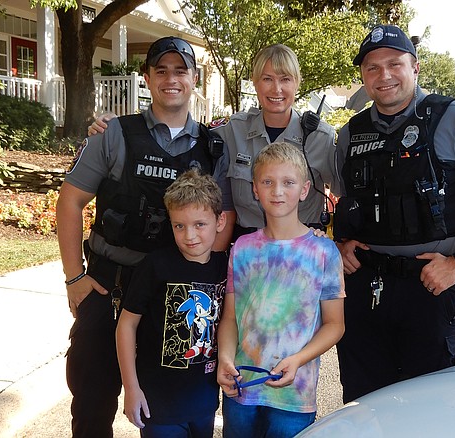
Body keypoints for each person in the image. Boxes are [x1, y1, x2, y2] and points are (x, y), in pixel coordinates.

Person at [332, 24, 455, 403]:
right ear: (363, 77)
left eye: (394, 64)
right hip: (366, 290)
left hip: (433, 287)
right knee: (363, 402)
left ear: (415, 67)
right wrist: (340, 245)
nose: (383, 75)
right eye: (372, 67)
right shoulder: (350, 135)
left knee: (430, 407)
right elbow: (345, 202)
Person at [56, 36, 233, 437]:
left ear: (195, 79)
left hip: (175, 297)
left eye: (181, 70)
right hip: (108, 287)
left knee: (164, 408)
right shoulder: (113, 134)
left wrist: (205, 285)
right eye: (161, 70)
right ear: (148, 78)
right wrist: (73, 277)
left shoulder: (213, 147)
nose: (171, 79)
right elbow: (69, 202)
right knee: (92, 400)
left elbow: (223, 217)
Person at [89, 44, 340, 240]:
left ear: (297, 83)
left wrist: (334, 239)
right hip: (246, 250)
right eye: (267, 79)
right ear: (254, 82)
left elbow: (345, 193)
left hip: (304, 248)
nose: (276, 89)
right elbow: (181, 131)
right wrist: (117, 124)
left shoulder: (321, 138)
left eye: (285, 79)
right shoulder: (233, 131)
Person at [216, 142, 345, 437]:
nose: (277, 191)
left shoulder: (324, 251)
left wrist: (298, 359)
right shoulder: (242, 248)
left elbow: (335, 325)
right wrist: (225, 358)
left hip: (294, 398)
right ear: (254, 189)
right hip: (241, 390)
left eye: (288, 182)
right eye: (267, 182)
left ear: (304, 189)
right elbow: (230, 319)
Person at [116, 169, 228, 437]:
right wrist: (131, 388)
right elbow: (126, 326)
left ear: (220, 221)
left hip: (204, 403)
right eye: (180, 225)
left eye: (200, 224)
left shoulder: (227, 267)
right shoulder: (155, 266)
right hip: (159, 405)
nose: (189, 235)